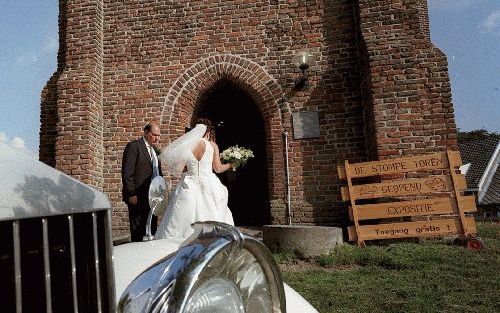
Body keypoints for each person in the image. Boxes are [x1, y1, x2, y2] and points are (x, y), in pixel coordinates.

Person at [155, 118, 234, 240]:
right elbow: (218, 168)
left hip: (189, 182)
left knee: (181, 215)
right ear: (208, 132)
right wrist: (230, 165)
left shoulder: (188, 146)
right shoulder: (212, 145)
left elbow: (181, 168)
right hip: (208, 183)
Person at [122, 122, 163, 242]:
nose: (157, 138)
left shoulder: (155, 150)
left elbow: (158, 172)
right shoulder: (134, 146)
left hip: (153, 197)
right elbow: (127, 172)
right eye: (154, 134)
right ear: (146, 133)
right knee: (138, 232)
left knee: (151, 230)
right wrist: (131, 193)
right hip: (138, 196)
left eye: (158, 135)